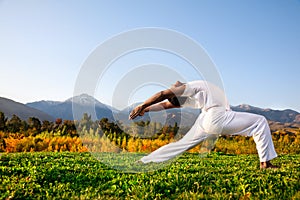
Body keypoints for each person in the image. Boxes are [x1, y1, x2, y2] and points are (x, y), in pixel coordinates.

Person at [129, 80, 279, 169]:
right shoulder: (191, 88)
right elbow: (163, 96)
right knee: (260, 122)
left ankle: (145, 160)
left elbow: (166, 103)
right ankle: (265, 163)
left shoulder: (189, 92)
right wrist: (143, 106)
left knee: (181, 145)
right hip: (216, 116)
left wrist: (145, 108)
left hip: (205, 119)